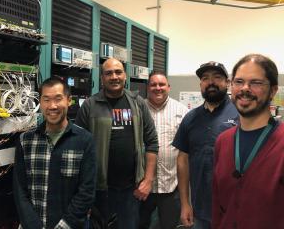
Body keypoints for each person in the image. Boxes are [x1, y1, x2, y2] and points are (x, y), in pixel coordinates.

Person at [75, 58, 159, 229]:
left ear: (125, 76)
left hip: (131, 190)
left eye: (118, 72)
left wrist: (148, 180)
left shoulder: (137, 103)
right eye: (108, 73)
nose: (114, 77)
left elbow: (152, 142)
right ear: (101, 78)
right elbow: (77, 147)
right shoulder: (90, 105)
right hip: (99, 190)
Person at [13, 77, 96, 229]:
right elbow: (20, 191)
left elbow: (86, 192)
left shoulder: (85, 141)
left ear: (69, 100)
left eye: (58, 99)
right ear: (40, 102)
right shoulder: (25, 140)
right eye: (46, 100)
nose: (52, 106)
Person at [212, 54, 284, 228]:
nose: (245, 88)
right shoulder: (223, 141)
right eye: (238, 82)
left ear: (273, 91)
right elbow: (217, 206)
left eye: (255, 83)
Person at [172, 61, 238, 229]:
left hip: (234, 209)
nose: (211, 82)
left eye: (217, 77)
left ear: (227, 83)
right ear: (201, 84)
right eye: (205, 78)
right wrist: (185, 204)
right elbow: (182, 160)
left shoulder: (241, 115)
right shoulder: (190, 118)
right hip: (199, 209)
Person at [139, 71, 188, 229]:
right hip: (142, 186)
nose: (157, 88)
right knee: (139, 225)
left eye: (161, 84)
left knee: (169, 226)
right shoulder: (138, 109)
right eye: (153, 84)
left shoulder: (181, 111)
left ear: (168, 87)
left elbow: (186, 149)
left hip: (171, 185)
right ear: (148, 87)